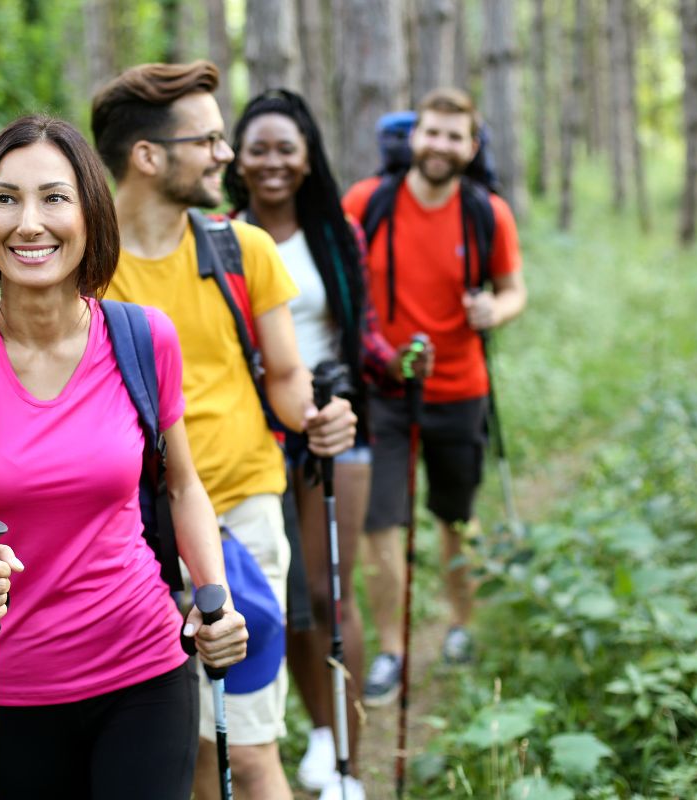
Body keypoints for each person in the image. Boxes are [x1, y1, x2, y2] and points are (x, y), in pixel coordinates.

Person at [0, 114, 247, 800]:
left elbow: (182, 489)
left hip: (145, 663)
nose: (29, 223)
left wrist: (216, 602)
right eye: (5, 199)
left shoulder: (144, 338)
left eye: (54, 197)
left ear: (90, 214)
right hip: (13, 679)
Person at [91, 62, 358, 800]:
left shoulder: (244, 249)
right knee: (183, 747)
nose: (225, 154)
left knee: (246, 743)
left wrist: (313, 415)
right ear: (148, 156)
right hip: (123, 541)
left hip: (239, 517)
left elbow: (283, 374)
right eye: (207, 139)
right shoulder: (83, 266)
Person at [223, 88, 430, 800]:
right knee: (283, 597)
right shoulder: (220, 237)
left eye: (287, 147)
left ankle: (346, 760)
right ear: (237, 159)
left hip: (339, 425)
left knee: (326, 587)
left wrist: (396, 370)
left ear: (308, 156)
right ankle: (314, 732)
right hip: (254, 432)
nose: (273, 161)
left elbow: (361, 327)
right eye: (259, 148)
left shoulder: (337, 234)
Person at [342, 88, 526, 703]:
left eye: (455, 136)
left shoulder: (487, 213)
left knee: (455, 518)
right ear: (412, 137)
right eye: (432, 133)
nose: (441, 146)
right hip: (383, 390)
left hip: (460, 388)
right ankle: (392, 651)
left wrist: (492, 310)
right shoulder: (367, 202)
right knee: (379, 524)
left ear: (472, 148)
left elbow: (514, 289)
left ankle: (461, 626)